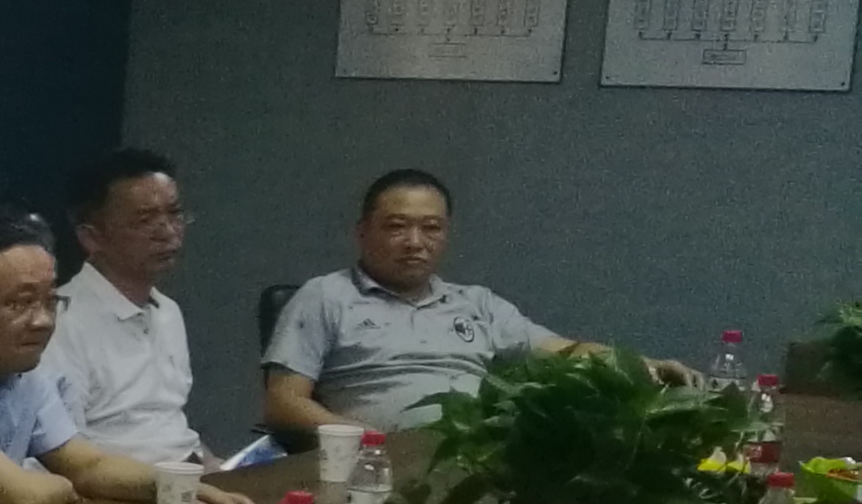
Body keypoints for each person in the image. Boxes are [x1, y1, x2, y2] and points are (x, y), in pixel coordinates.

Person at [0, 209, 262, 504]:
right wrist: (66, 488)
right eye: (21, 303)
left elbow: (88, 465)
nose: (43, 320)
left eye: (50, 300)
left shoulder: (16, 365)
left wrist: (174, 487)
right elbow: (18, 497)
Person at [263, 169, 684, 441]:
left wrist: (645, 365)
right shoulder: (325, 295)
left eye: (431, 228)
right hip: (369, 462)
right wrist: (371, 443)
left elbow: (566, 352)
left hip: (469, 461)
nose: (414, 242)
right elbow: (284, 403)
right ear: (362, 232)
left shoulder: (476, 303)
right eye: (396, 227)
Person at [43, 146, 221, 470]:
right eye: (145, 220)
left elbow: (166, 422)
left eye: (174, 214)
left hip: (185, 477)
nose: (168, 232)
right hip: (119, 488)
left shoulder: (168, 312)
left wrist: (215, 469)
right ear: (92, 238)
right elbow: (62, 453)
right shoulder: (61, 324)